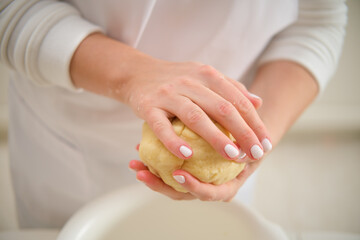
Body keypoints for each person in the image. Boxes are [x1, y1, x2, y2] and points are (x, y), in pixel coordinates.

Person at [0, 0, 347, 228]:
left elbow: (317, 19)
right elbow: (13, 9)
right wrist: (133, 74)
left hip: (223, 138)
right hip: (68, 137)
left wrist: (258, 130)